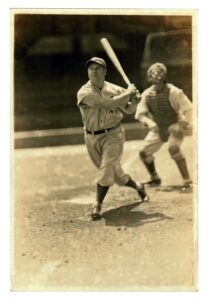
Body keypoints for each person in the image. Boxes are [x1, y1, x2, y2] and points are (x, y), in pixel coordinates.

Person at [77, 57, 149, 221]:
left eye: (98, 68)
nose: (94, 71)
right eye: (91, 68)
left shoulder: (115, 89)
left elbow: (129, 110)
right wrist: (128, 93)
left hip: (113, 134)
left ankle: (97, 204)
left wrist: (135, 100)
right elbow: (106, 104)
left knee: (107, 167)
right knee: (116, 175)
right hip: (91, 137)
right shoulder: (84, 92)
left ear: (104, 71)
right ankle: (138, 186)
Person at [135, 62, 193, 191]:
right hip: (158, 128)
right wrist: (150, 123)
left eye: (158, 76)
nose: (156, 79)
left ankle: (187, 181)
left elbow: (189, 109)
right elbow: (140, 114)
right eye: (153, 76)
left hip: (174, 127)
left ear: (163, 76)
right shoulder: (146, 94)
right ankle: (154, 177)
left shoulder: (174, 91)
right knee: (143, 152)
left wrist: (184, 120)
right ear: (149, 77)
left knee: (173, 148)